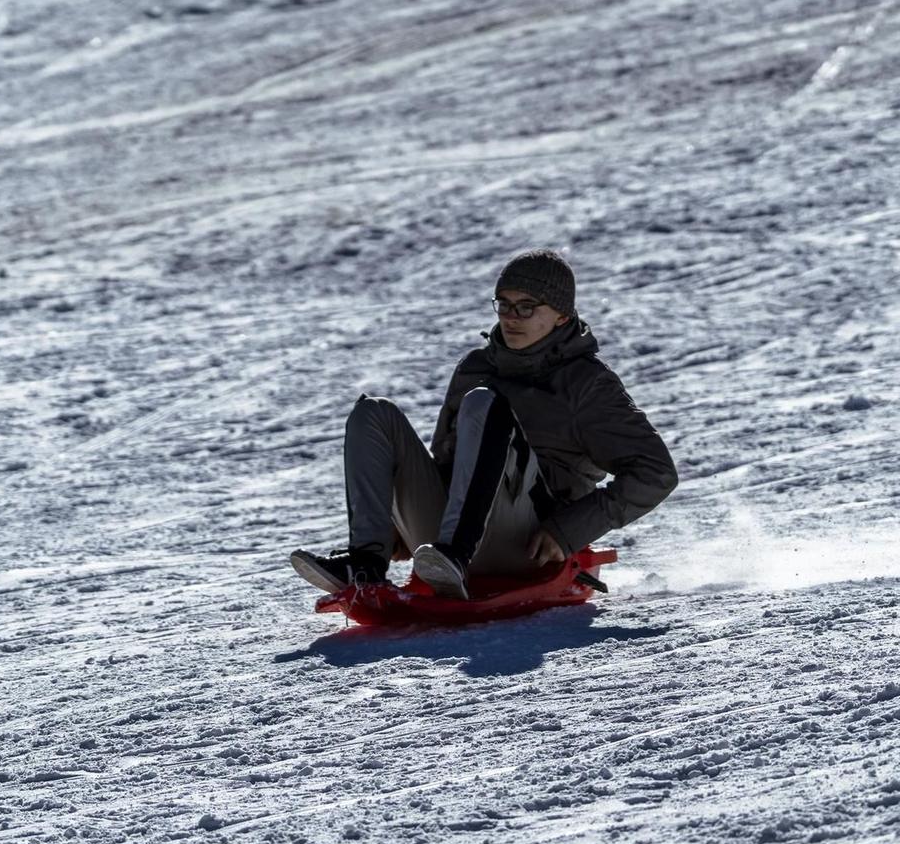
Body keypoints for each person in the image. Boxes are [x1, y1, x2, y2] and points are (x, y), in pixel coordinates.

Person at [289, 250, 678, 600]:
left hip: (527, 544)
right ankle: (365, 565)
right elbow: (448, 462)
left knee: (485, 404)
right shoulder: (477, 367)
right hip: (442, 545)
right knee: (372, 413)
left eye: (527, 307)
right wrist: (399, 523)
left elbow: (655, 473)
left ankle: (455, 556)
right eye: (504, 305)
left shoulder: (586, 384)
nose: (511, 317)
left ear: (561, 315)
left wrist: (569, 530)